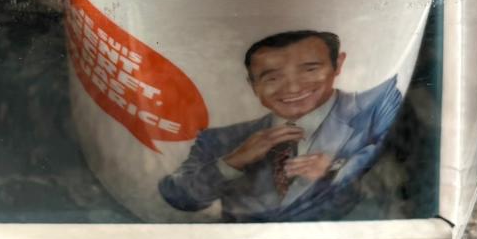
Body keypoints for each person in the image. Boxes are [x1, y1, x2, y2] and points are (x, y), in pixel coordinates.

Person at [157, 30, 401, 222]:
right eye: (272, 78)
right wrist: (232, 162)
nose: (293, 88)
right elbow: (178, 197)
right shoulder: (222, 139)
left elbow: (396, 173)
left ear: (337, 65)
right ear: (252, 84)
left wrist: (336, 171)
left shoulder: (374, 110)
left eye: (310, 70)